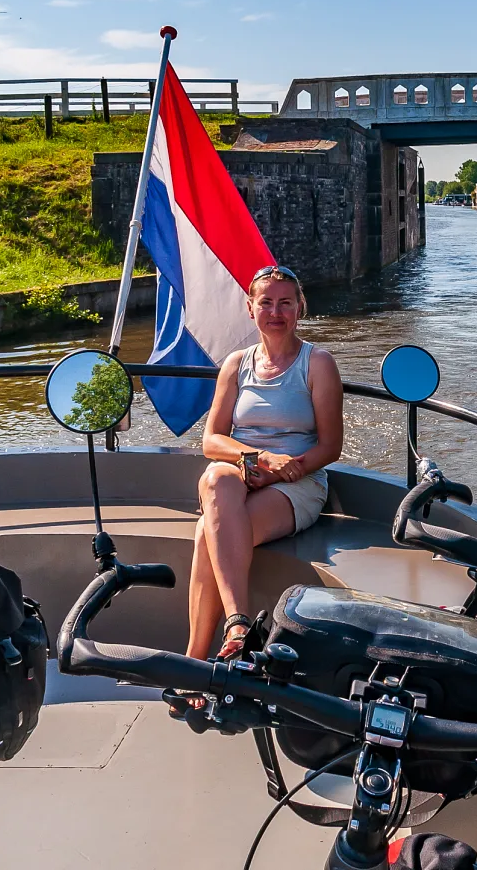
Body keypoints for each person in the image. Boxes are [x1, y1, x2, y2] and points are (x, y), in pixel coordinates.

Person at [185, 265, 343, 660]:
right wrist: (256, 459)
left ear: (299, 309)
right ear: (250, 308)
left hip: (297, 482)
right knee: (215, 479)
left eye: (285, 303)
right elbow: (211, 440)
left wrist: (285, 468)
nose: (276, 311)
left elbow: (330, 446)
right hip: (244, 472)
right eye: (266, 302)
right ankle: (237, 626)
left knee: (209, 530)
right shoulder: (236, 365)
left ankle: (197, 657)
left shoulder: (318, 364)